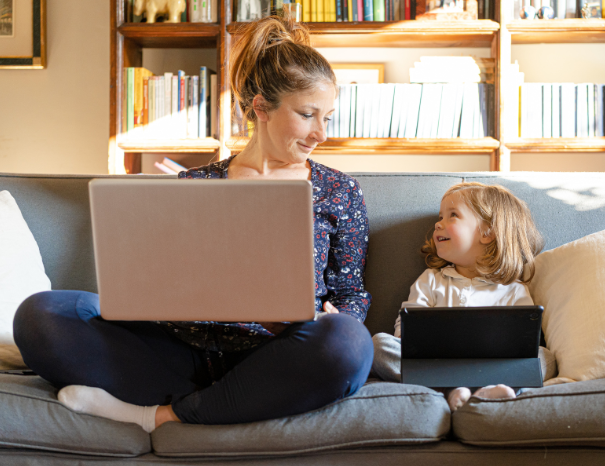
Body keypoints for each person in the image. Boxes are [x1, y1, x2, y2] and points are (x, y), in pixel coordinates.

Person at [13, 16, 374, 433]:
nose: (321, 133)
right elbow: (152, 280)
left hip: (277, 358)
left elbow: (351, 292)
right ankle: (218, 403)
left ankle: (160, 415)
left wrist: (327, 317)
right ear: (261, 107)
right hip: (178, 353)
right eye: (309, 115)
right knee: (40, 315)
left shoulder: (338, 192)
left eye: (327, 117)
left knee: (348, 345)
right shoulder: (193, 185)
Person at [371, 182, 555, 411]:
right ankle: (453, 390)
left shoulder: (513, 289)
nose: (438, 224)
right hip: (436, 364)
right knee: (379, 344)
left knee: (544, 357)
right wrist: (407, 339)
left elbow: (524, 341)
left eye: (453, 215)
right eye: (440, 216)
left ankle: (491, 389)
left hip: (492, 365)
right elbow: (407, 321)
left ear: (487, 233)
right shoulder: (431, 279)